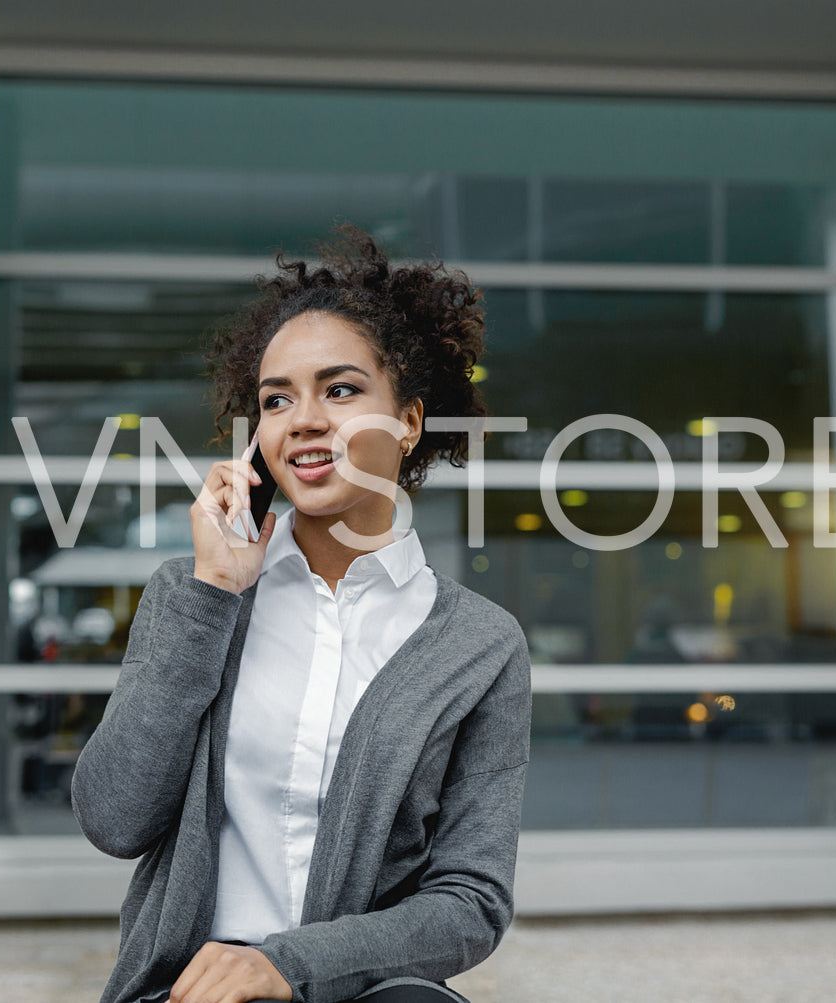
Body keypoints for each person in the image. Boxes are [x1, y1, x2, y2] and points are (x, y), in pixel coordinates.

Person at [71, 226, 532, 1003]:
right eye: (276, 400)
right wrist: (213, 594)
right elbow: (114, 818)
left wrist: (290, 962)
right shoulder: (191, 597)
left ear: (409, 421)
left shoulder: (478, 645)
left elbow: (469, 902)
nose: (303, 419)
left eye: (340, 389)